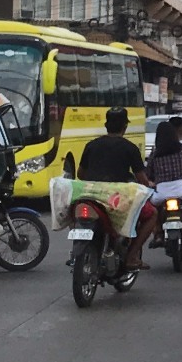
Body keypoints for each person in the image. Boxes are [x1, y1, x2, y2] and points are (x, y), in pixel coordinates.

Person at [78, 105, 153, 268]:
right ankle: (132, 257)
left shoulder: (91, 145)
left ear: (106, 126)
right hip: (116, 200)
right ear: (125, 127)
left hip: (89, 196)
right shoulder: (130, 148)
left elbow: (80, 174)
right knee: (152, 214)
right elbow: (142, 180)